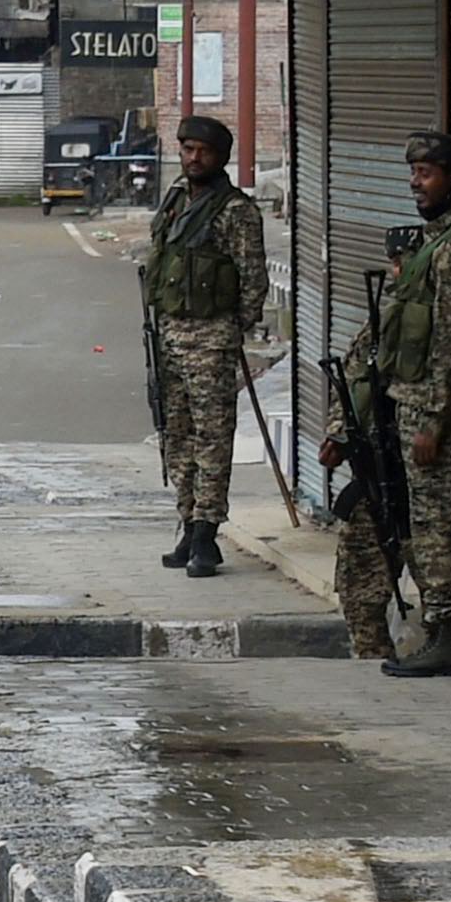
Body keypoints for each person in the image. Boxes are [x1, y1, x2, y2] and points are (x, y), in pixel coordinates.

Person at [322, 131, 451, 677]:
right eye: (414, 172)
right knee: (434, 521)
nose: (415, 183)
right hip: (417, 406)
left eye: (426, 173)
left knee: (434, 527)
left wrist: (432, 423)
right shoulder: (432, 245)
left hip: (437, 412)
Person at [144, 111, 262, 578]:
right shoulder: (175, 200)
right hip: (170, 335)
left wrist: (231, 334)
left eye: (204, 151)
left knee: (211, 441)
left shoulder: (236, 211)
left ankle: (208, 535)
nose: (194, 158)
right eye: (188, 149)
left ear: (220, 158)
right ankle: (187, 524)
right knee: (176, 437)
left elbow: (253, 282)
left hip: (211, 340)